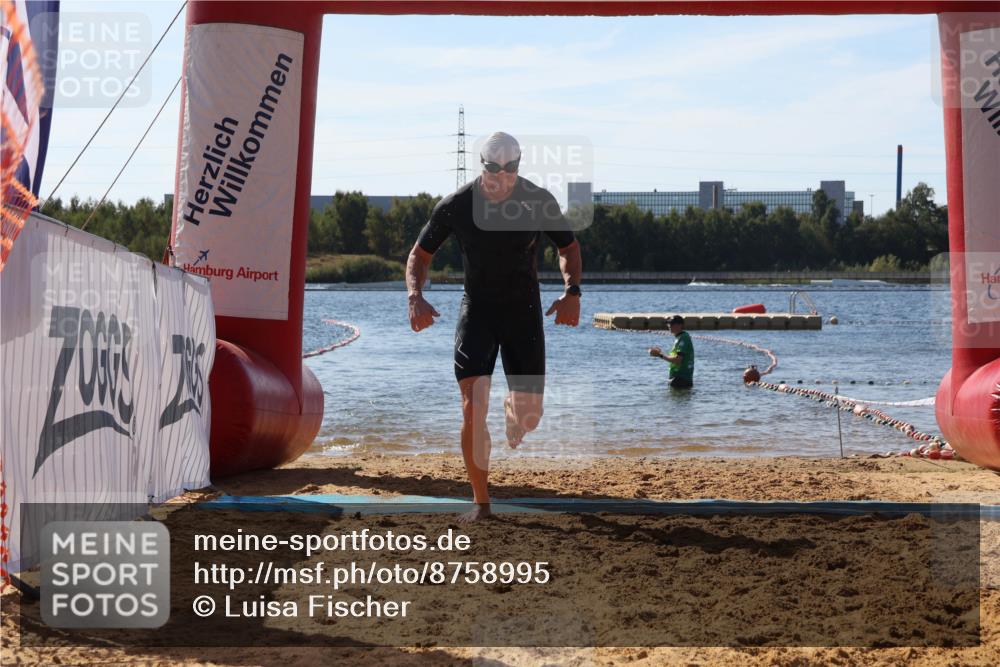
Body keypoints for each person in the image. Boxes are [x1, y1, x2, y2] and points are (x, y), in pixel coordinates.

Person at [406, 131, 583, 522]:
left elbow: (568, 247)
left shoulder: (537, 200)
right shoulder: (457, 205)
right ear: (481, 165)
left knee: (529, 417)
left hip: (524, 312)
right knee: (472, 408)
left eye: (511, 169)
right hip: (478, 312)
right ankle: (481, 502)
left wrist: (572, 292)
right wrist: (415, 295)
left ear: (519, 166)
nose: (501, 177)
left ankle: (514, 408)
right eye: (493, 169)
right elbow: (419, 255)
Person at [649, 315, 695, 388]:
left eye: (672, 324)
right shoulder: (679, 337)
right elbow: (675, 358)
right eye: (668, 323)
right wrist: (660, 353)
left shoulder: (684, 338)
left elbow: (678, 360)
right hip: (677, 378)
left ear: (680, 325)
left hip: (681, 379)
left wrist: (660, 355)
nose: (669, 325)